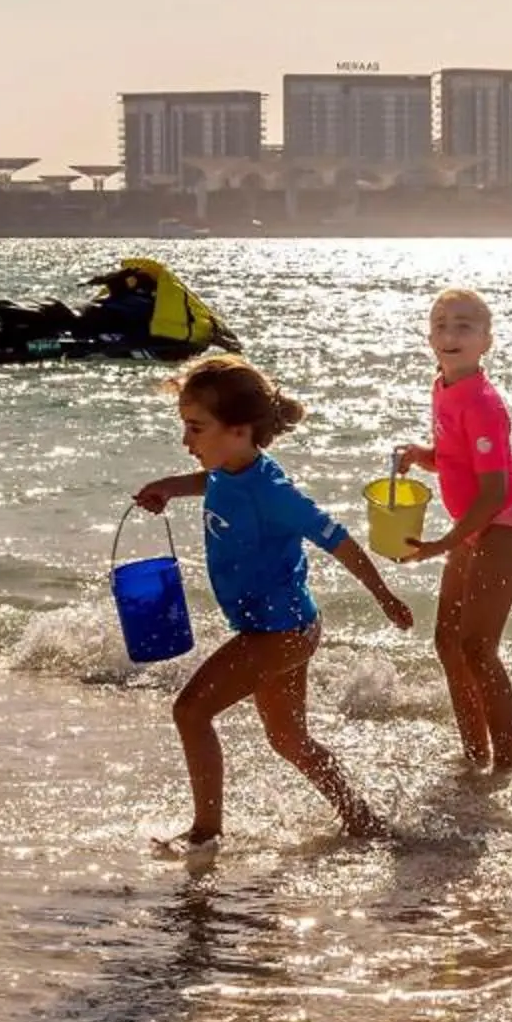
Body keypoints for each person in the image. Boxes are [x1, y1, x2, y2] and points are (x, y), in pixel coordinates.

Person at [134, 354, 411, 854]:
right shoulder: (231, 469)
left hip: (280, 632)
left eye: (196, 429)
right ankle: (363, 821)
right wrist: (170, 487)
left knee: (191, 711)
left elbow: (338, 538)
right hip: (281, 626)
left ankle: (205, 833)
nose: (186, 441)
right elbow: (213, 481)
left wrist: (384, 596)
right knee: (287, 739)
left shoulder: (274, 491)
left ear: (238, 431)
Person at [393, 289, 512, 775]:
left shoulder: (481, 402)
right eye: (441, 325)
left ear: (486, 342)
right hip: (476, 529)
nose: (450, 334)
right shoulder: (443, 387)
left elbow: (495, 491)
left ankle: (506, 763)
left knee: (477, 646)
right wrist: (423, 456)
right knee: (446, 640)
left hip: (507, 527)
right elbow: (459, 461)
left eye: (464, 326)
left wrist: (444, 543)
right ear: (429, 337)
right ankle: (473, 752)